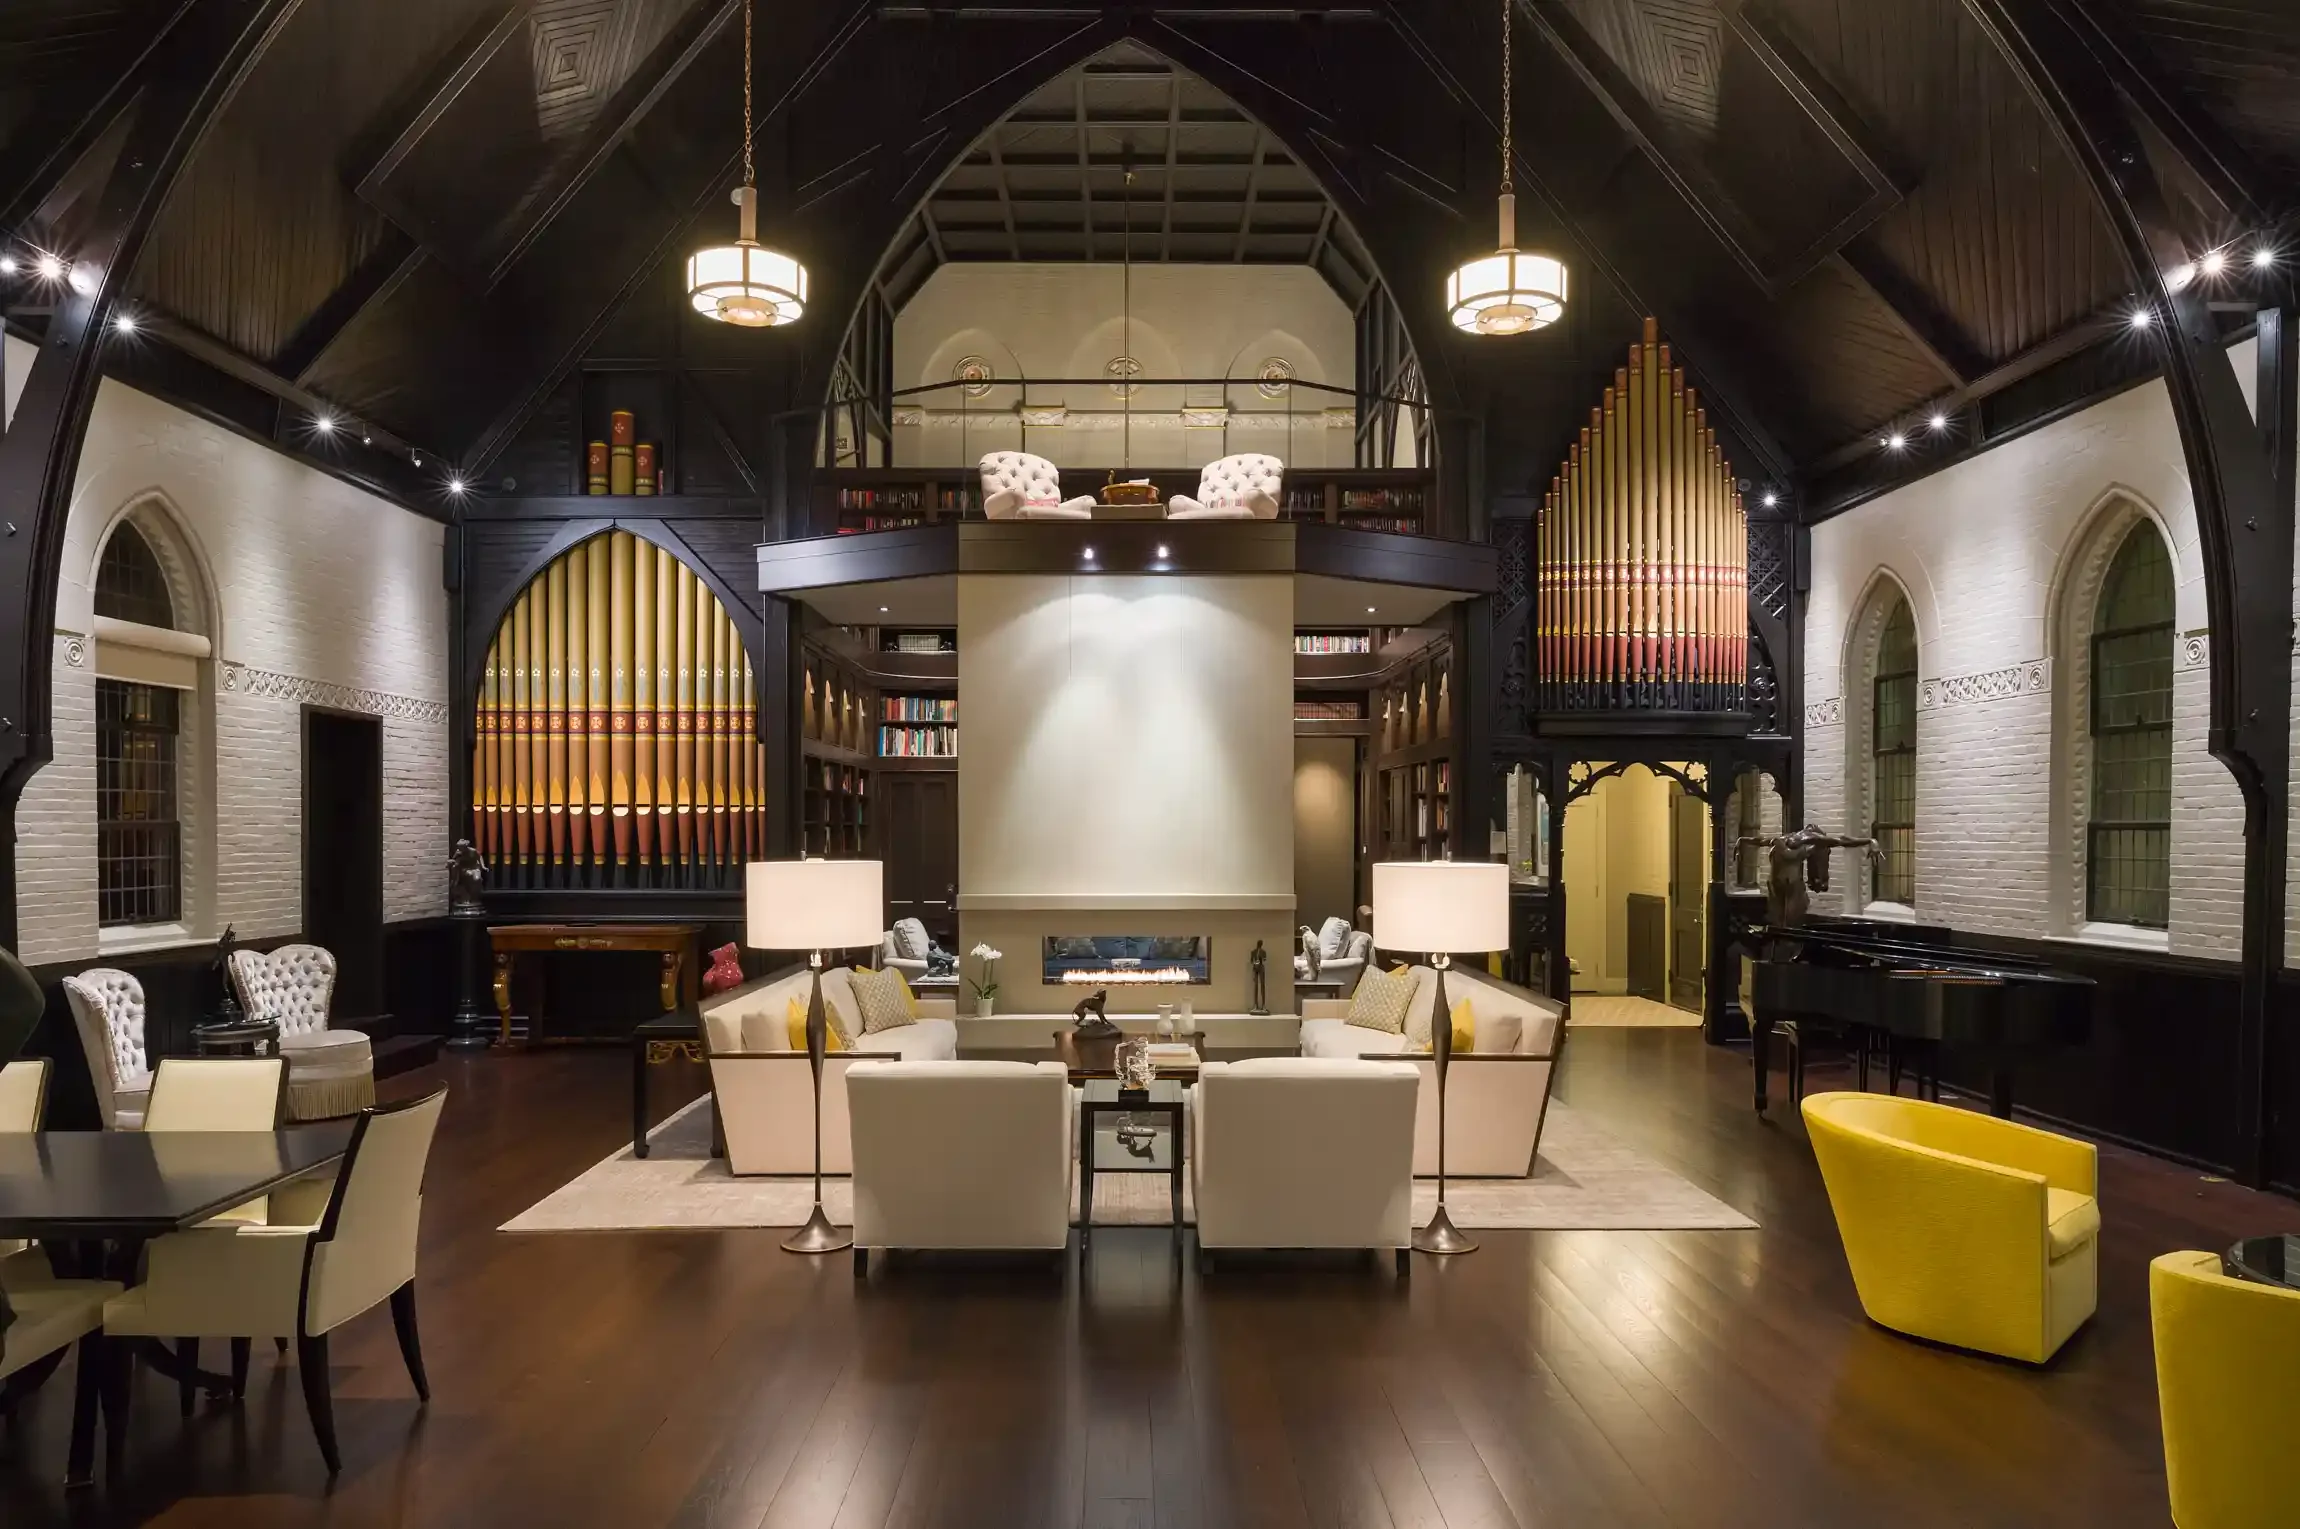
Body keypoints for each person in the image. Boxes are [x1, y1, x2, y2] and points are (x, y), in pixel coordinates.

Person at [1736, 822, 1882, 926]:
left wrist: (1742, 841)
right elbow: (1841, 841)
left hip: (1778, 885)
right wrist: (1870, 841)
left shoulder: (1783, 839)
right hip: (1787, 887)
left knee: (1784, 922)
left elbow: (1760, 841)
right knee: (1785, 923)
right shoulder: (1811, 839)